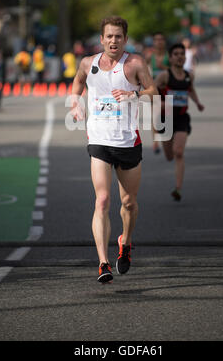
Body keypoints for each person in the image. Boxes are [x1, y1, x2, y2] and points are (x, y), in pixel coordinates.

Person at [70, 16, 157, 283]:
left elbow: (153, 90)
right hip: (98, 140)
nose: (113, 41)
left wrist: (135, 95)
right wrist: (76, 103)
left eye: (118, 36)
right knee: (103, 200)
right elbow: (77, 83)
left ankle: (126, 242)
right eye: (109, 36)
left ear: (125, 40)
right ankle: (103, 263)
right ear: (101, 39)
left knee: (128, 203)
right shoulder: (89, 63)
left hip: (127, 142)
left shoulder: (135, 64)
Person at [155, 43, 204, 201]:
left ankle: (178, 188)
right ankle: (168, 152)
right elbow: (150, 93)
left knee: (179, 152)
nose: (179, 56)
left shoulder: (189, 75)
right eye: (175, 54)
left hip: (182, 117)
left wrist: (197, 102)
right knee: (169, 155)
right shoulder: (164, 76)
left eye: (182, 54)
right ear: (170, 58)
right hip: (166, 118)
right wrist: (160, 103)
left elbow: (190, 89)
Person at [146, 32, 170, 154]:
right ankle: (155, 141)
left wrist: (164, 68)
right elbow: (142, 69)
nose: (159, 42)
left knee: (167, 114)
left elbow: (176, 71)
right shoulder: (150, 56)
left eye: (161, 39)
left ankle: (168, 136)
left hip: (167, 88)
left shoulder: (169, 56)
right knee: (155, 115)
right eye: (156, 40)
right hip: (155, 88)